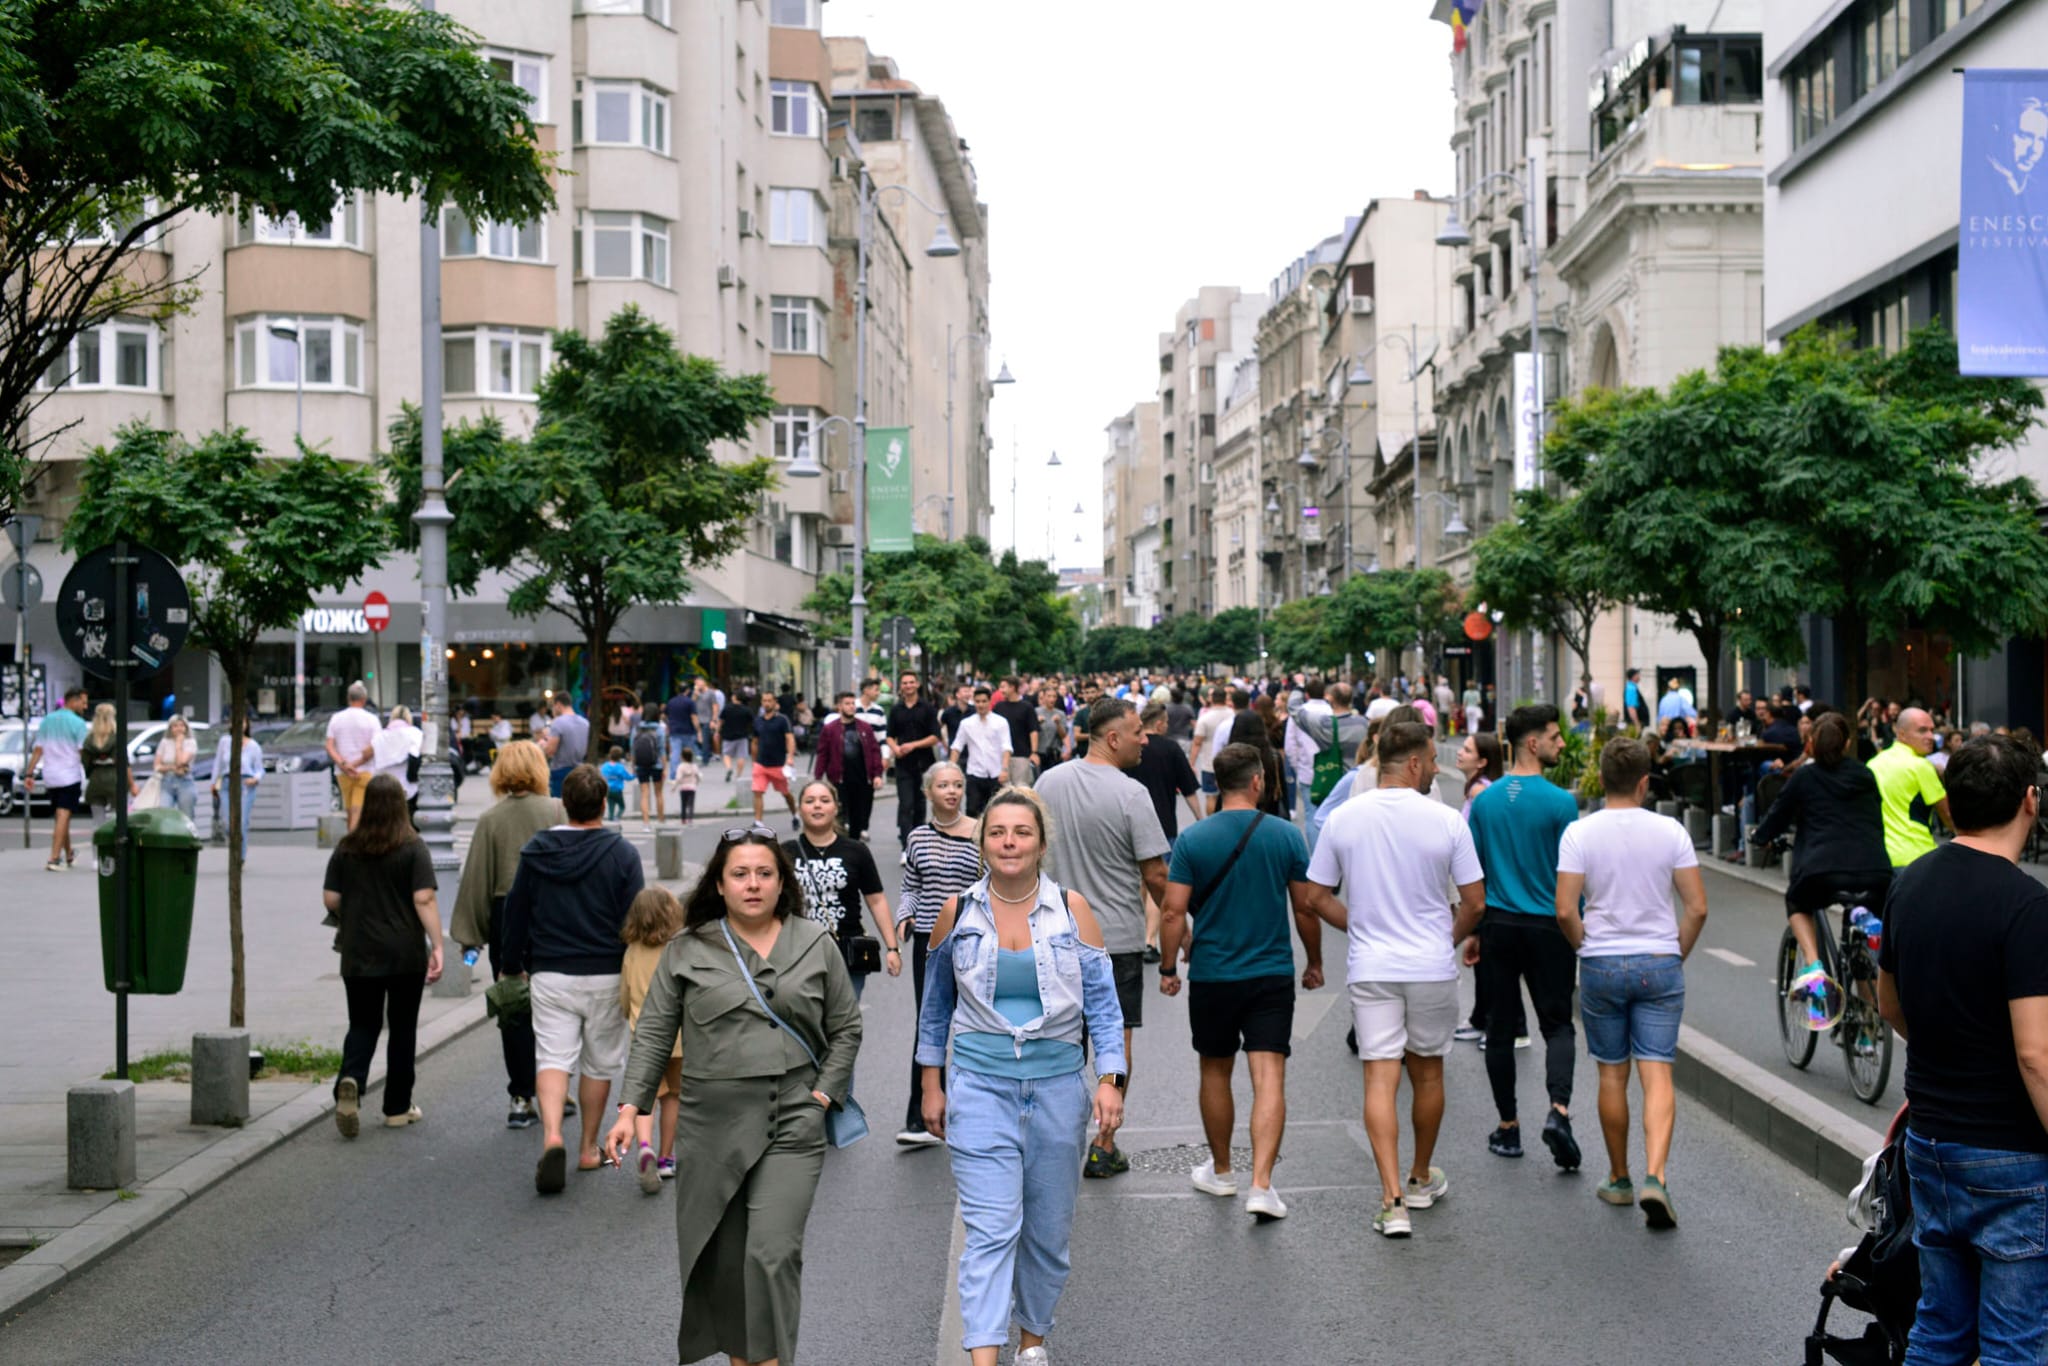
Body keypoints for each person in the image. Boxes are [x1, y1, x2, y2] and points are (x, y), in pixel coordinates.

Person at [606, 825, 861, 1366]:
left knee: (772, 1254)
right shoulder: (686, 949)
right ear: (719, 885)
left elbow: (846, 1029)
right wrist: (631, 1108)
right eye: (739, 874)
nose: (752, 884)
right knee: (725, 1262)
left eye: (764, 873)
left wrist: (821, 1098)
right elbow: (653, 1033)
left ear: (781, 882)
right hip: (711, 1126)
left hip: (793, 1119)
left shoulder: (814, 942)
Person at [916, 787, 1127, 1366]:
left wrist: (1110, 1079)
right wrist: (930, 1085)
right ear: (982, 842)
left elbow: (1105, 1009)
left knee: (1047, 1236)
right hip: (980, 1087)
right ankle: (984, 1357)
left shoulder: (1072, 909)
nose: (1009, 842)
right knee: (990, 1230)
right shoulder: (957, 911)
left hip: (1059, 1090)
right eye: (998, 832)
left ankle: (1032, 1343)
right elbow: (933, 1010)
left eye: (1022, 833)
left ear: (1040, 844)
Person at [1875, 733, 2048, 1365]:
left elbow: (1890, 1004)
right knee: (2015, 1346)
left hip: (1930, 1142)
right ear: (2030, 801)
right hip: (2012, 1155)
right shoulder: (2027, 905)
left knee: (1939, 1330)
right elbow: (2036, 1054)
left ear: (1946, 802)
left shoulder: (1911, 884)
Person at [1306, 721, 1485, 1238]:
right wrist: (1446, 939)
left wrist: (1359, 926)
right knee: (1428, 1074)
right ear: (1412, 763)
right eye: (1431, 760)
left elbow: (1316, 897)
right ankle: (1422, 1176)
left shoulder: (1344, 819)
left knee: (1380, 1078)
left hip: (1372, 966)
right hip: (1430, 964)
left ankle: (1392, 1200)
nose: (1434, 769)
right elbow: (1475, 902)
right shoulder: (1447, 820)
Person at [1159, 743, 1322, 1222]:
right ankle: (1262, 1184)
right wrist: (1314, 961)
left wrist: (1169, 967)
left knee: (1215, 1070)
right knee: (1268, 1075)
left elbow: (1171, 910)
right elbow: (1306, 907)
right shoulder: (1286, 837)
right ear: (1257, 782)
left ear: (1218, 783)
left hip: (1213, 973)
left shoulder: (1193, 840)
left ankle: (1224, 1170)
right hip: (1270, 972)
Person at [1552, 738, 1709, 1229]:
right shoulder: (1671, 831)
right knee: (1657, 1072)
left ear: (1601, 780)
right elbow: (1698, 907)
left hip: (1601, 961)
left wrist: (1585, 947)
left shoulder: (1579, 833)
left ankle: (1618, 1178)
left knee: (1611, 1073)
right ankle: (1655, 1176)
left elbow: (1563, 909)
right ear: (1645, 782)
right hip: (1659, 960)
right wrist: (1674, 951)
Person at [1035, 697, 1170, 1179]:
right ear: (1113, 738)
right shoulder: (1132, 794)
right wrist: (1180, 927)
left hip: (1052, 934)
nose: (1145, 738)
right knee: (1115, 1038)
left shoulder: (1047, 782)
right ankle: (1103, 1142)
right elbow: (1156, 874)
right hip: (1116, 939)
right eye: (1138, 731)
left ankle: (1054, 1137)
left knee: (1061, 1039)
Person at [501, 763, 645, 1193]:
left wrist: (512, 963)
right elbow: (636, 921)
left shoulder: (536, 851)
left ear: (564, 803)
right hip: (605, 972)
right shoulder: (622, 854)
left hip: (550, 972)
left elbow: (516, 912)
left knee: (552, 1057)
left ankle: (551, 1136)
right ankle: (586, 1149)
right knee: (599, 1063)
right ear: (604, 803)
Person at [1466, 703, 1583, 1167]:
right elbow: (1570, 875)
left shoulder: (1486, 801)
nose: (1561, 743)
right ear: (1532, 743)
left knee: (1499, 1030)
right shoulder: (1561, 803)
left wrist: (1473, 930)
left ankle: (1508, 1127)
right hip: (1547, 926)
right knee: (1557, 1026)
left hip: (1497, 924)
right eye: (1554, 737)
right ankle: (1558, 1112)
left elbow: (1473, 872)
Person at [450, 740, 563, 1131]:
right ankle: (556, 1088)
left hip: (506, 920)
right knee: (555, 1010)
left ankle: (521, 1097)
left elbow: (476, 880)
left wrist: (470, 935)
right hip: (553, 918)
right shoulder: (557, 810)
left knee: (514, 1009)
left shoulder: (491, 820)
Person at [322, 774, 443, 1137]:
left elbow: (330, 897)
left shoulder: (347, 847)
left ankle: (351, 1080)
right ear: (400, 806)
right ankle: (397, 1107)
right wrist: (437, 944)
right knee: (402, 1028)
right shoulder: (412, 846)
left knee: (363, 1023)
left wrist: (357, 911)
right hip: (404, 952)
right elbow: (424, 898)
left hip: (359, 952)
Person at [1752, 711, 1892, 998]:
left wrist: (1761, 837)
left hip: (1822, 869)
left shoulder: (1804, 777)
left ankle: (1814, 967)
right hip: (1875, 869)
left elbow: (1778, 814)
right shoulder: (1865, 774)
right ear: (1847, 743)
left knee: (1797, 901)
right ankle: (1867, 1030)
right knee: (1859, 945)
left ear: (1811, 742)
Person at [893, 761, 982, 1147]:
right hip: (928, 940)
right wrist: (904, 916)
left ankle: (973, 1110)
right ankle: (920, 1117)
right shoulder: (916, 838)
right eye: (943, 785)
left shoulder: (980, 832)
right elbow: (911, 885)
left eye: (957, 785)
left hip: (971, 938)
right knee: (928, 1022)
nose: (952, 791)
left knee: (973, 1021)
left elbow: (989, 887)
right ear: (928, 791)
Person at [786, 778, 901, 1001]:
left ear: (836, 807)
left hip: (847, 952)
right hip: (798, 953)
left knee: (843, 1026)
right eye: (810, 801)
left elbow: (876, 900)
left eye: (824, 800)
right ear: (800, 809)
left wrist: (892, 948)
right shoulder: (785, 853)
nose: (817, 805)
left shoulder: (856, 851)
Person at [618, 885, 686, 1191]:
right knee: (673, 1096)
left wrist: (627, 1014)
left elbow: (625, 995)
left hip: (645, 1038)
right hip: (680, 1038)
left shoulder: (632, 952)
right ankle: (666, 1157)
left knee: (645, 1097)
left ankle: (644, 1145)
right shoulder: (680, 949)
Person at [1451, 728, 1507, 1045]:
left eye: (1468, 750)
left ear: (1483, 761)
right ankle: (1483, 1018)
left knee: (1488, 957)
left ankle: (1497, 1024)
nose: (1460, 752)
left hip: (1484, 879)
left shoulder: (1481, 793)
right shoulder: (1475, 789)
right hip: (1479, 877)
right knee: (1484, 956)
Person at [1869, 705, 1953, 869]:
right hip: (1917, 856)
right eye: (1922, 731)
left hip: (1880, 857)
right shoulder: (1921, 766)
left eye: (1932, 730)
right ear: (1901, 734)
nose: (1931, 736)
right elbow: (1948, 814)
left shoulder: (1874, 763)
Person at [812, 691, 884, 843]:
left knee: (858, 817)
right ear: (839, 706)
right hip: (839, 780)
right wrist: (818, 778)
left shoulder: (865, 728)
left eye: (853, 704)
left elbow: (874, 751)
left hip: (862, 780)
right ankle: (840, 844)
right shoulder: (830, 729)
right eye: (847, 704)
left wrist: (877, 774)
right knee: (839, 815)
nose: (852, 707)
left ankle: (854, 844)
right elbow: (822, 754)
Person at [887, 671, 942, 851]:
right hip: (903, 765)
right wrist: (895, 749)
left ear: (917, 684)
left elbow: (935, 737)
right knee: (906, 804)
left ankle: (918, 843)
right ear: (901, 686)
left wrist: (913, 745)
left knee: (920, 805)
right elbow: (889, 736)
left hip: (925, 764)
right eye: (905, 683)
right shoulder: (896, 710)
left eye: (911, 682)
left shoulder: (927, 708)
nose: (908, 686)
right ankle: (906, 846)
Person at [325, 681, 382, 828]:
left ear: (348, 698)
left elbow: (330, 746)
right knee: (358, 808)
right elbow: (375, 747)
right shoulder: (372, 719)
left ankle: (351, 837)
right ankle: (353, 838)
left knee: (349, 808)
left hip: (342, 772)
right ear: (364, 699)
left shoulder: (336, 718)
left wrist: (344, 765)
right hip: (365, 770)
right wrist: (355, 765)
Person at [952, 686, 1012, 818]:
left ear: (989, 701)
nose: (981, 705)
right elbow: (957, 747)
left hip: (995, 773)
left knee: (995, 811)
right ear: (974, 702)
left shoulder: (1000, 722)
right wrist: (950, 769)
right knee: (972, 810)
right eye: (978, 701)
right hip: (975, 772)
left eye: (984, 701)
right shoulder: (966, 723)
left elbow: (1006, 747)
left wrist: (1005, 769)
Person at [209, 716, 264, 860]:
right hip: (228, 782)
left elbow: (259, 769)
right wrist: (214, 782)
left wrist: (256, 778)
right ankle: (234, 849)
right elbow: (218, 763)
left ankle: (240, 856)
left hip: (245, 783)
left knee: (241, 822)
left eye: (243, 722)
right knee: (228, 823)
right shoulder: (225, 742)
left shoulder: (253, 746)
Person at [80, 702, 138, 818]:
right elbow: (124, 763)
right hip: (115, 780)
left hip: (96, 780)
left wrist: (90, 774)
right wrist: (132, 785)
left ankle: (99, 834)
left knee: (98, 818)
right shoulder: (117, 738)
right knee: (119, 818)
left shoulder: (89, 739)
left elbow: (85, 762)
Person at [372, 704, 423, 815]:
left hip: (384, 787)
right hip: (408, 787)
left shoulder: (379, 737)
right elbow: (417, 755)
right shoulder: (415, 734)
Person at [1191, 685, 1234, 813]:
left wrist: (1191, 763)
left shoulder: (1205, 718)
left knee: (1211, 797)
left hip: (1209, 763)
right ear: (1225, 698)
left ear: (1212, 699)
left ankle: (1211, 822)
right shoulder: (1232, 715)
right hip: (1231, 761)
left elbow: (1197, 742)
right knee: (1230, 796)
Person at [540, 693, 590, 799]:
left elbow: (550, 751)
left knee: (559, 807)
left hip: (560, 770)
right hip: (578, 769)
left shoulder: (558, 722)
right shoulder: (585, 723)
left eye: (553, 706)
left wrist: (544, 744)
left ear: (558, 704)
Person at [994, 676, 1038, 788]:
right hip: (1002, 756)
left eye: (1003, 687)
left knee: (1021, 790)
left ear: (1012, 687)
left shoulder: (1027, 707)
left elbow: (1033, 730)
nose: (1001, 690)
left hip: (1021, 756)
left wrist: (1034, 752)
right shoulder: (998, 707)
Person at [153, 715, 199, 821]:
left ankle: (188, 837)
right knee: (164, 815)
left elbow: (181, 761)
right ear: (170, 728)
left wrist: (178, 743)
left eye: (182, 725)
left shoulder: (190, 742)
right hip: (166, 782)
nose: (178, 728)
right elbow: (157, 766)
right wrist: (172, 768)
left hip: (185, 782)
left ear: (186, 728)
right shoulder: (164, 742)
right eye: (175, 726)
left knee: (186, 817)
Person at [632, 717, 665, 830]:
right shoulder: (659, 729)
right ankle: (661, 820)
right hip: (657, 765)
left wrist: (633, 766)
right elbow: (662, 750)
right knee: (659, 793)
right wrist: (665, 768)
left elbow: (633, 749)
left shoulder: (636, 729)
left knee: (644, 794)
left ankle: (646, 823)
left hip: (641, 765)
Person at [664, 684, 699, 785]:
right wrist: (698, 729)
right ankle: (688, 774)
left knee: (675, 753)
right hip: (688, 731)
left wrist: (670, 723)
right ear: (687, 691)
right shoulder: (690, 702)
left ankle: (673, 776)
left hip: (674, 731)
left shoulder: (671, 701)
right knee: (688, 754)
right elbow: (694, 717)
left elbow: (664, 715)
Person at [719, 689, 754, 784]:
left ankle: (729, 768)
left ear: (734, 697)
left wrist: (718, 730)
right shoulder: (747, 710)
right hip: (742, 735)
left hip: (728, 735)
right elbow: (752, 722)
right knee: (741, 756)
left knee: (726, 754)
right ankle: (738, 776)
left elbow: (721, 721)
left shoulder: (727, 708)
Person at [600, 746, 631, 823]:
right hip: (617, 790)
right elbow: (627, 777)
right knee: (622, 806)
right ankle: (617, 818)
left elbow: (601, 776)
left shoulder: (605, 766)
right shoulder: (620, 767)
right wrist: (635, 775)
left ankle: (610, 819)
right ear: (619, 757)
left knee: (611, 805)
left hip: (607, 790)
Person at [672, 748, 699, 825]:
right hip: (692, 787)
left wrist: (674, 787)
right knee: (691, 804)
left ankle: (683, 819)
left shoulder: (681, 766)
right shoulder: (694, 766)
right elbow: (698, 776)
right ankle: (690, 818)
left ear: (682, 757)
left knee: (683, 804)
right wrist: (696, 783)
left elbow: (678, 778)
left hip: (683, 788)